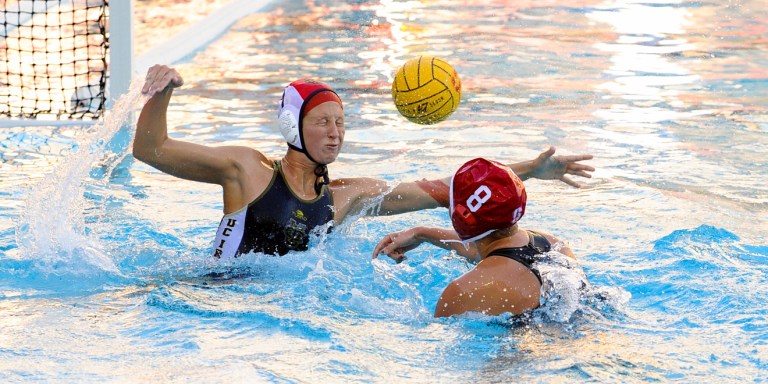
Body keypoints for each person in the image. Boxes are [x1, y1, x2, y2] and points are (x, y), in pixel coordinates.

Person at [135, 65, 594, 258]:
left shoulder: (348, 196)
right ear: (294, 127)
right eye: (322, 122)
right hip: (216, 298)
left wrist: (530, 170)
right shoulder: (248, 170)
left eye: (341, 122)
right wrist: (164, 90)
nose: (335, 133)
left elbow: (445, 192)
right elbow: (151, 150)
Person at [372, 158, 576, 318]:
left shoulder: (463, 292)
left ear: (459, 217)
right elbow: (497, 254)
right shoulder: (555, 245)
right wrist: (422, 233)